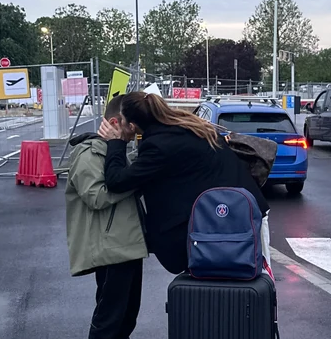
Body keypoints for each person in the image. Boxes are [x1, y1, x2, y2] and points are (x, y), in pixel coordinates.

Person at [100, 91, 270, 275]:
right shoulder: (187, 126)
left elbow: (117, 181)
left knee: (244, 279)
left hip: (239, 221)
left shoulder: (159, 145)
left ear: (132, 126)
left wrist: (115, 143)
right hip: (244, 213)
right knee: (248, 280)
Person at [65, 95, 154, 339]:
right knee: (109, 311)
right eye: (130, 125)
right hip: (109, 245)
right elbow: (96, 196)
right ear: (115, 122)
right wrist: (135, 180)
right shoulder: (89, 153)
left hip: (128, 242)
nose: (134, 131)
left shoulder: (115, 150)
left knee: (129, 310)